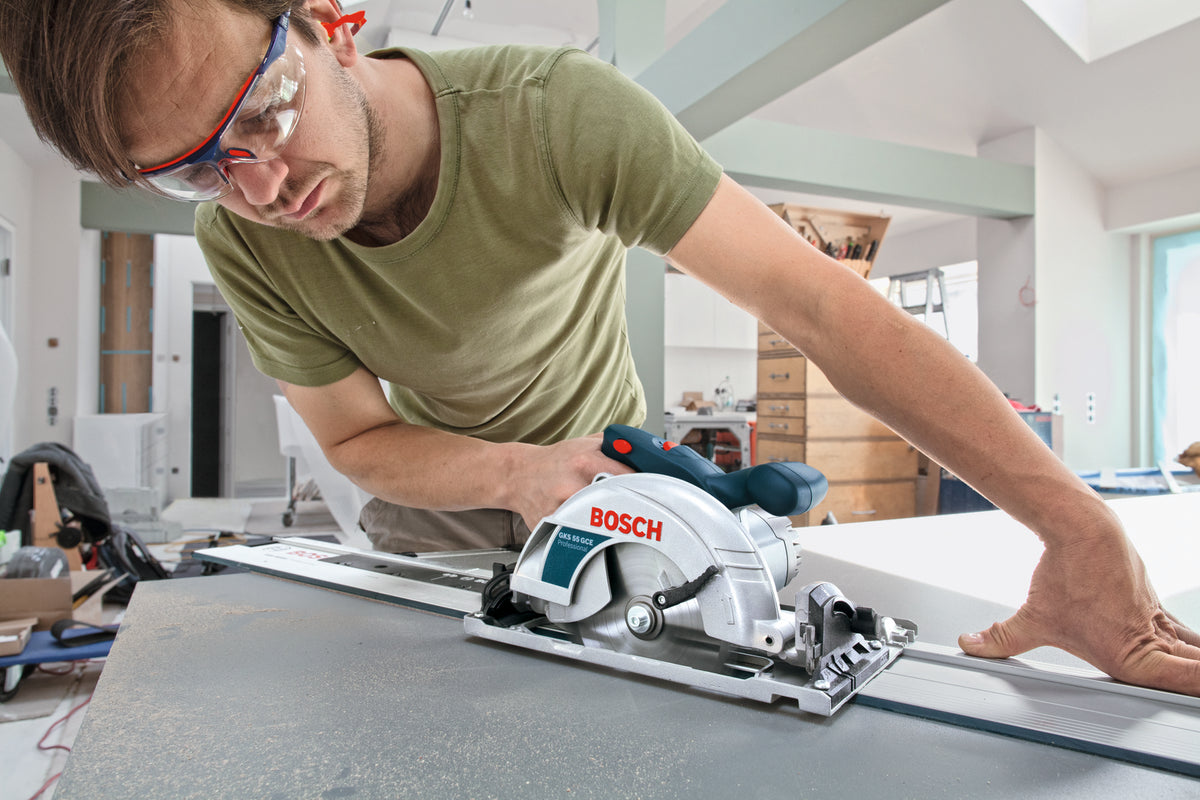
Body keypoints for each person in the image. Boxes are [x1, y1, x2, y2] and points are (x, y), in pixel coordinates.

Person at [1, 0, 1197, 696]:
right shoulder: (247, 241)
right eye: (199, 170)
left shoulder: (553, 114)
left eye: (264, 111)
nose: (263, 187)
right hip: (433, 547)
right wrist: (518, 472)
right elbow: (357, 438)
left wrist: (1078, 529)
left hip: (630, 523)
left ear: (327, 24)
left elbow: (826, 308)